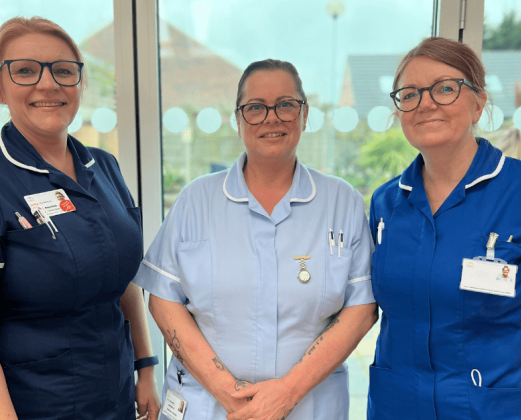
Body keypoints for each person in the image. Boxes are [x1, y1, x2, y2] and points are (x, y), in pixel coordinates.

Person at [0, 17, 161, 420]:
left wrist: (144, 367)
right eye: (25, 70)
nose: (48, 84)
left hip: (112, 399)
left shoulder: (105, 167)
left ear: (80, 83)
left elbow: (120, 278)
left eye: (63, 70)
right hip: (27, 407)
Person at [133, 59, 378, 420]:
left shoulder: (342, 202)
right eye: (255, 108)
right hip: (209, 406)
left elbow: (361, 310)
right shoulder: (196, 200)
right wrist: (230, 394)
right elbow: (164, 299)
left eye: (286, 104)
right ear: (238, 119)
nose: (271, 117)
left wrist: (288, 392)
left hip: (310, 406)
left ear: (304, 114)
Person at [368, 37, 521, 420]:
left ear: (478, 103)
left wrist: (507, 395)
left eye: (445, 88)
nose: (425, 103)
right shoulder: (385, 204)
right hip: (395, 408)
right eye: (409, 94)